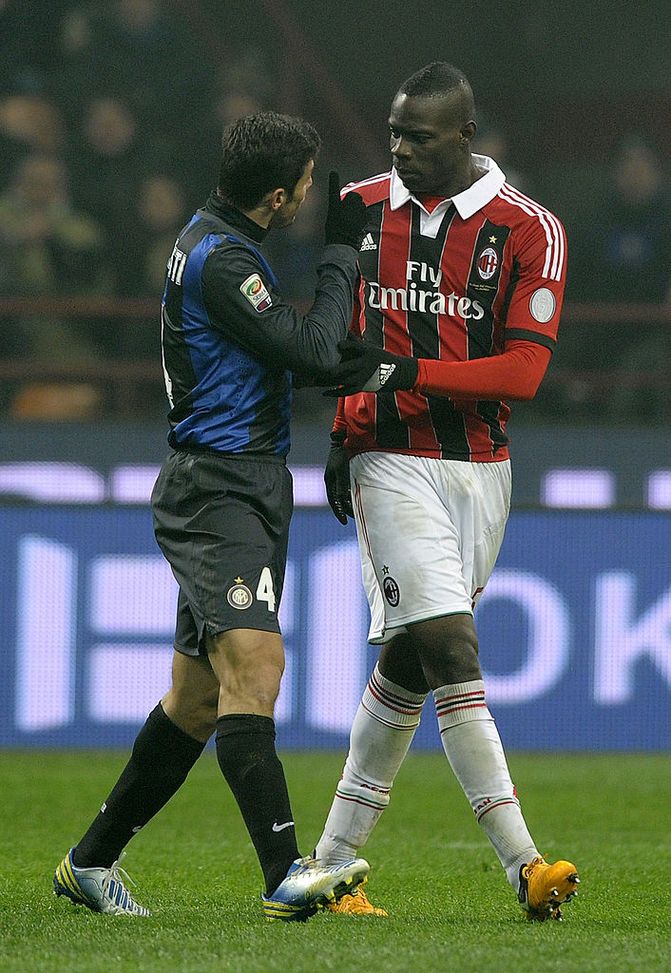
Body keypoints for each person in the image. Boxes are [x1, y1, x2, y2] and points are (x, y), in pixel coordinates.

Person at [53, 110, 370, 922]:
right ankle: (282, 874)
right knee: (257, 666)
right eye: (303, 181)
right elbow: (305, 351)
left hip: (247, 485)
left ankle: (89, 862)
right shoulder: (225, 260)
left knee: (197, 699)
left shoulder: (217, 242)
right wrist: (343, 257)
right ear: (275, 193)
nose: (308, 190)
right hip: (217, 489)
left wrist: (349, 354)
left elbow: (298, 351)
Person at [313, 62, 580, 922]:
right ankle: (525, 864)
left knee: (407, 666)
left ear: (465, 137)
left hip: (480, 470)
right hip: (388, 456)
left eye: (419, 137)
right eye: (393, 133)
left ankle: (328, 865)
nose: (400, 151)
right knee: (454, 649)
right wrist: (340, 433)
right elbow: (343, 332)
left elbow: (523, 370)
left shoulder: (530, 229)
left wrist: (402, 366)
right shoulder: (357, 205)